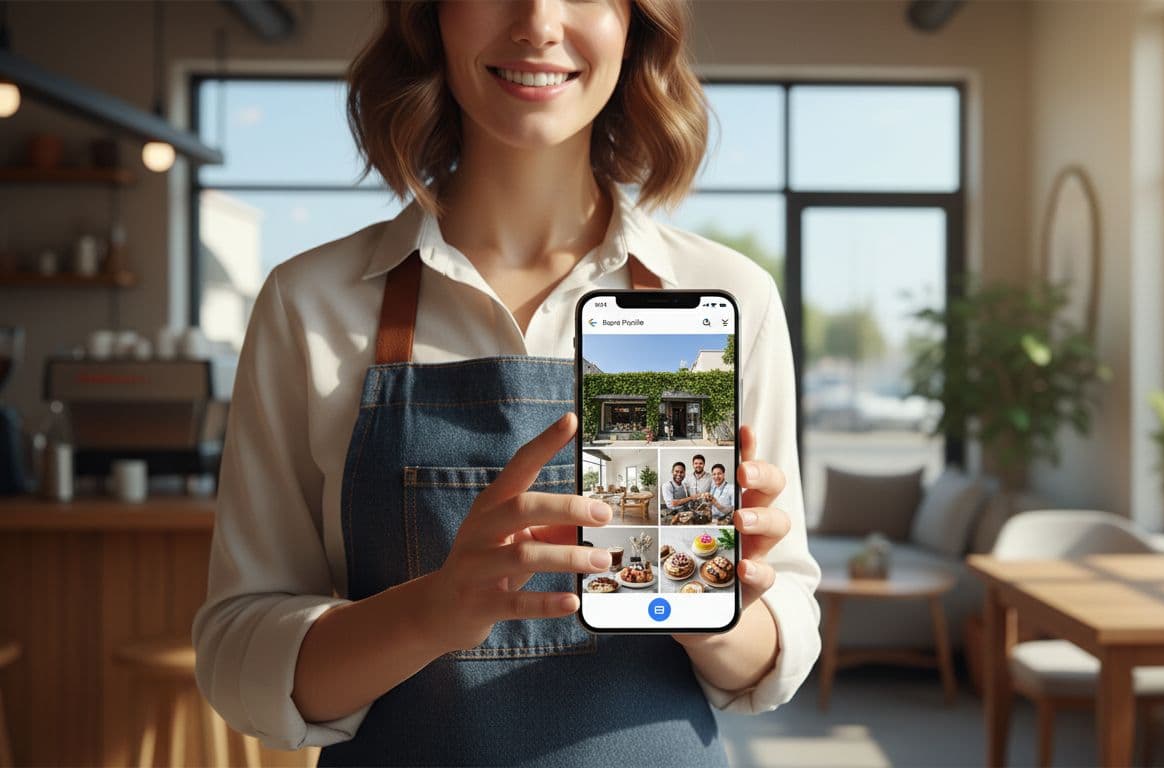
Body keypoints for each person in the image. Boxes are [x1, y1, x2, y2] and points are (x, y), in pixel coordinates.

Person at [191, 1, 820, 765]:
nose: (539, 23)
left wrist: (703, 608)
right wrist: (433, 612)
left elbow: (778, 651)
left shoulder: (729, 295)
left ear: (635, 26)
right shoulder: (312, 303)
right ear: (432, 18)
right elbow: (237, 658)